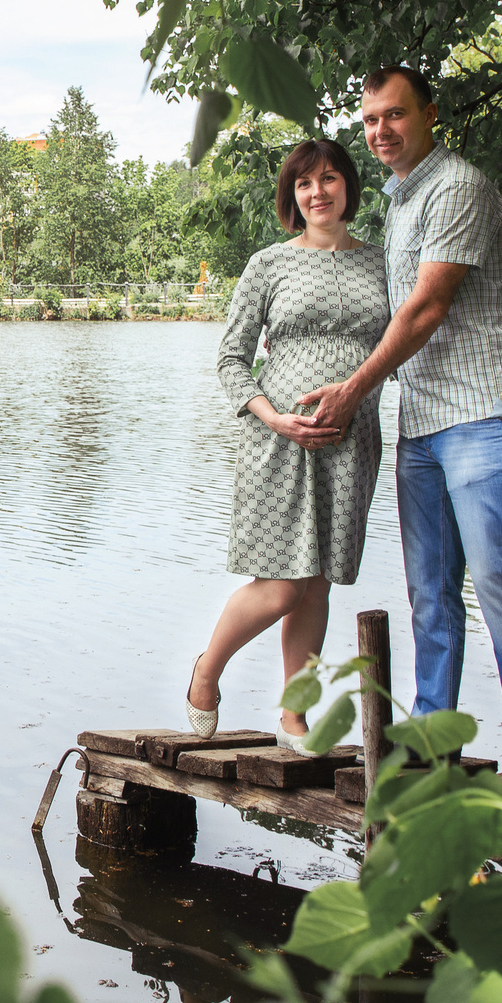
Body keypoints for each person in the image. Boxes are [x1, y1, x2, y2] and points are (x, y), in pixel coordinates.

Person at [292, 66, 502, 791]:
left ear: (429, 114)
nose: (380, 131)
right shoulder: (402, 199)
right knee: (431, 592)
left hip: (479, 415)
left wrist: (353, 389)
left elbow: (424, 307)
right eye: (370, 120)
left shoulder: (456, 187)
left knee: (498, 576)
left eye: (395, 115)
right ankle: (427, 739)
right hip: (421, 421)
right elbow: (384, 312)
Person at [183, 138, 389, 750]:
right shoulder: (268, 264)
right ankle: (206, 671)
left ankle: (294, 718)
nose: (317, 192)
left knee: (318, 581)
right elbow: (231, 359)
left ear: (348, 185)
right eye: (304, 183)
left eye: (329, 178)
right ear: (291, 196)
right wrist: (273, 417)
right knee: (281, 585)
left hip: (352, 442)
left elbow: (402, 341)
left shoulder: (382, 263)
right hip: (278, 441)